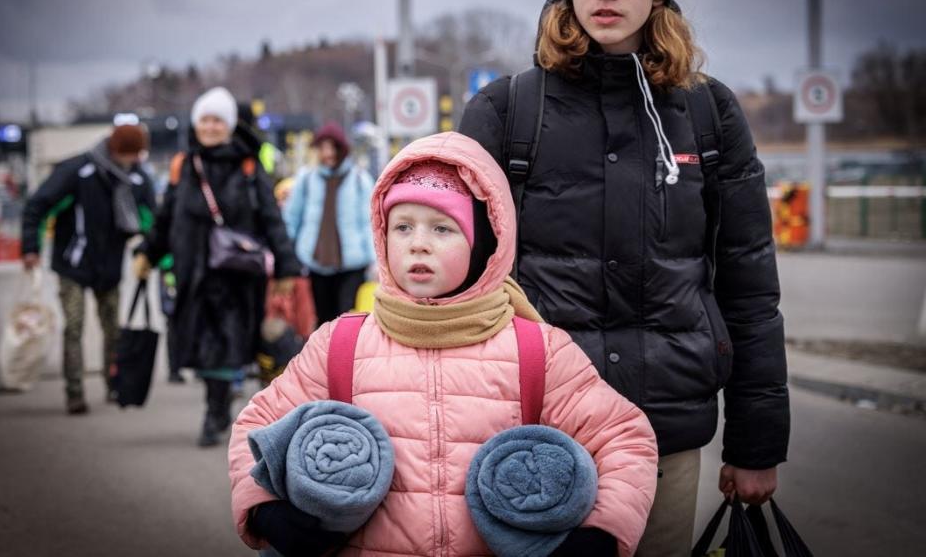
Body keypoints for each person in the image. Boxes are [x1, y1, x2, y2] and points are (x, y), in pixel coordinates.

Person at [458, 0, 790, 555]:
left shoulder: (708, 115)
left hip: (663, 433)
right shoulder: (506, 112)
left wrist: (757, 444)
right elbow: (458, 286)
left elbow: (750, 288)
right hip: (530, 432)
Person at [228, 132, 659, 557]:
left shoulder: (538, 350)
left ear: (484, 244)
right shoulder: (340, 344)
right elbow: (257, 425)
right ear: (382, 236)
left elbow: (624, 439)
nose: (418, 242)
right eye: (403, 226)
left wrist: (600, 533)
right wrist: (266, 510)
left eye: (442, 227)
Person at [132, 86, 301, 447]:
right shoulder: (185, 165)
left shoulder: (248, 164)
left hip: (237, 276)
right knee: (204, 343)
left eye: (216, 121)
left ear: (228, 125)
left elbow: (272, 220)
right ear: (196, 124)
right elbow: (166, 217)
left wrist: (287, 266)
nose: (210, 127)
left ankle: (217, 410)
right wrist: (148, 253)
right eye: (204, 120)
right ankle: (220, 404)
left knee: (225, 343)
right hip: (194, 272)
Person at [21, 122, 156, 415]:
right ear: (114, 149)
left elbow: (153, 220)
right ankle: (75, 393)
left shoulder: (137, 178)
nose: (134, 161)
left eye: (137, 155)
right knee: (74, 327)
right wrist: (30, 248)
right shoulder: (76, 171)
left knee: (112, 330)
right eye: (129, 154)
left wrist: (153, 255)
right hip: (73, 264)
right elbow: (37, 206)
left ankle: (113, 384)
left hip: (109, 267)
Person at [284, 122, 374, 325]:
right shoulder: (306, 180)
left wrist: (374, 261)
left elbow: (369, 223)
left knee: (347, 318)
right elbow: (292, 218)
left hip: (352, 263)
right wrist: (287, 256)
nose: (327, 154)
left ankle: (344, 356)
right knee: (322, 320)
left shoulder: (360, 180)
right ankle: (326, 356)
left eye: (332, 147)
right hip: (314, 263)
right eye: (322, 148)